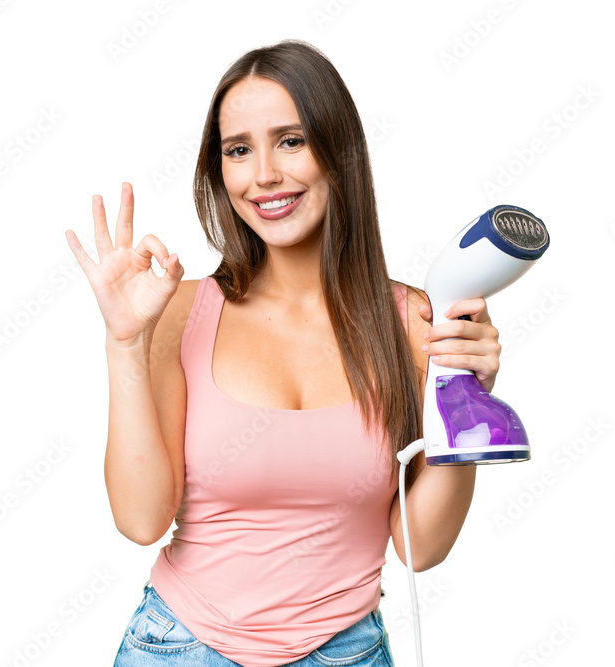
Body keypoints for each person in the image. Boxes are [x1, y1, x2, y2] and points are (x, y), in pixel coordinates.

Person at [65, 39, 501, 667]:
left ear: (339, 152)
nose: (263, 173)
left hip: (345, 652)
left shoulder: (413, 321)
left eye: (291, 141)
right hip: (180, 648)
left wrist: (469, 400)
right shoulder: (181, 312)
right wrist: (126, 343)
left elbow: (420, 547)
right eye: (238, 150)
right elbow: (140, 520)